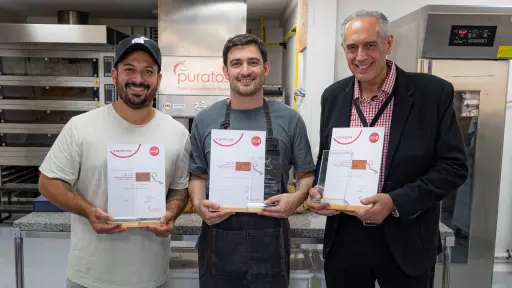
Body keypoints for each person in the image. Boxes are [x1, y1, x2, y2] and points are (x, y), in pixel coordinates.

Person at [307, 10, 468, 288]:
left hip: (406, 238)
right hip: (346, 241)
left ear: (388, 44)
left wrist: (395, 202)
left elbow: (453, 167)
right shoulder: (333, 96)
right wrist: (321, 189)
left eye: (370, 45)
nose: (361, 56)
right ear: (344, 49)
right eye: (352, 47)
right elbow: (329, 158)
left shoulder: (432, 93)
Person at [38, 34, 191, 288]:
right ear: (115, 75)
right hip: (90, 276)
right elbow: (48, 182)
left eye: (148, 71)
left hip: (151, 276)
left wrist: (171, 212)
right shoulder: (81, 127)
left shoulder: (177, 134)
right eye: (129, 69)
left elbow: (180, 186)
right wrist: (88, 211)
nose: (138, 79)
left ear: (159, 79)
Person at [188, 34, 316, 288]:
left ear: (266, 68)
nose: (245, 71)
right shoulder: (204, 120)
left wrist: (297, 198)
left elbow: (306, 175)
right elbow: (197, 175)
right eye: (236, 64)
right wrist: (198, 202)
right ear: (225, 71)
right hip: (218, 239)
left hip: (270, 241)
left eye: (253, 62)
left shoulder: (290, 120)